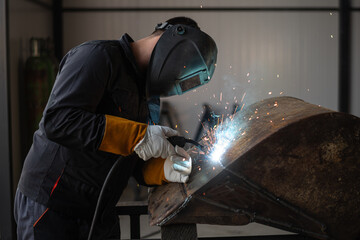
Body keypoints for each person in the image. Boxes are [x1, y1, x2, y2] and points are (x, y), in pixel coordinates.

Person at [14, 16, 217, 240]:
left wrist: (167, 169)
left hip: (100, 211)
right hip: (53, 205)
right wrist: (139, 136)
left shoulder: (148, 99)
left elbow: (133, 161)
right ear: (173, 43)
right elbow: (59, 120)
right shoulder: (98, 56)